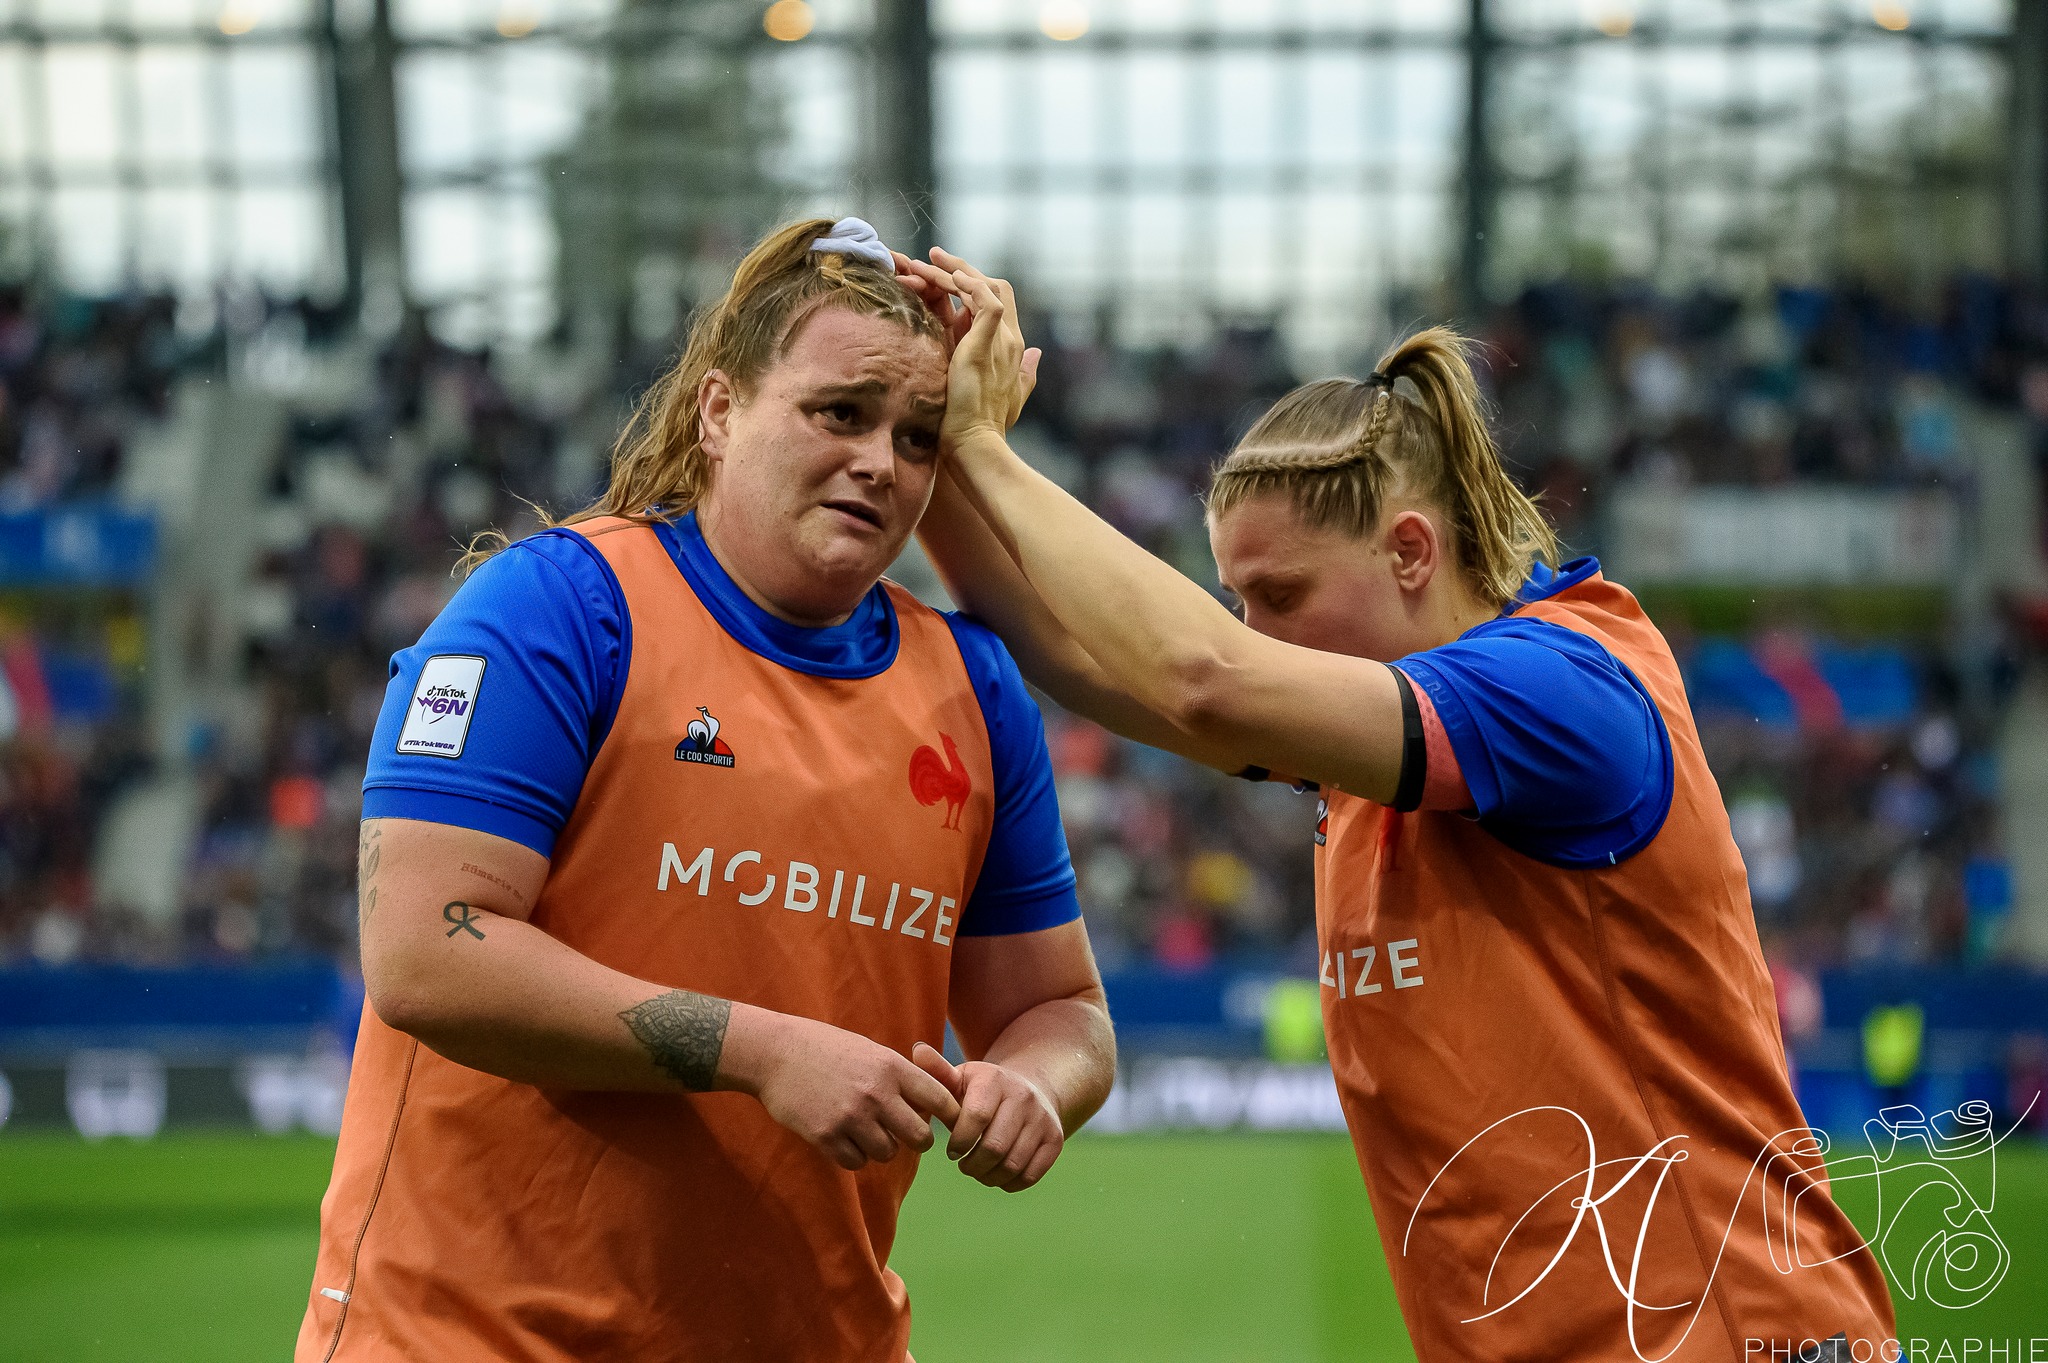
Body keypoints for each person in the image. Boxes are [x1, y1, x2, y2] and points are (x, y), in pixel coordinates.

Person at [900, 249, 1896, 1362]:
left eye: (1278, 596)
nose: (1254, 629)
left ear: (1410, 551)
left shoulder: (1558, 687)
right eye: (1236, 599)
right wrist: (933, 444)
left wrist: (989, 445)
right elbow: (1079, 658)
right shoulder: (1378, 739)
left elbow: (1204, 678)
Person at [296, 218, 1115, 1363]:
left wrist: (1033, 1085)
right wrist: (763, 1050)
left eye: (921, 436)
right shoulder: (554, 608)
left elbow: (1062, 1012)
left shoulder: (974, 689)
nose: (881, 462)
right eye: (839, 413)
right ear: (719, 413)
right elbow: (427, 951)